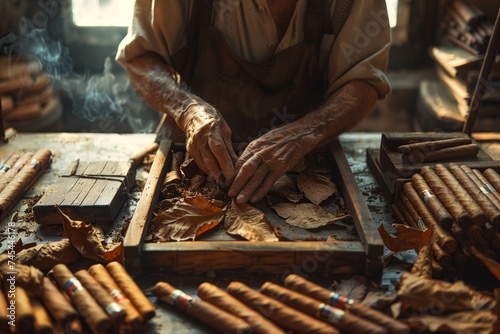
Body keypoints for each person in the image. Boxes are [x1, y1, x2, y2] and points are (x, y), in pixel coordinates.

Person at [117, 0, 391, 204]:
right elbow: (141, 58)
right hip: (191, 162)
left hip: (308, 168)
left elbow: (364, 82)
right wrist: (188, 110)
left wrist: (303, 133)